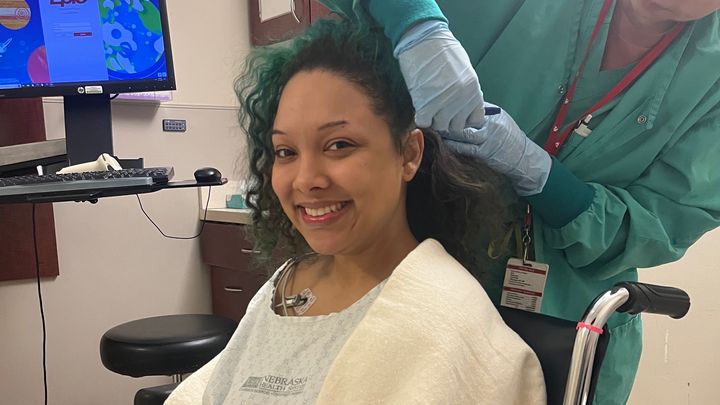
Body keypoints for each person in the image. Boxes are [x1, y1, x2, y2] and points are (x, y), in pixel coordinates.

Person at [321, 0, 720, 403]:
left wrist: (542, 177)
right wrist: (415, 24)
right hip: (412, 282)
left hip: (564, 329)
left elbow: (656, 225)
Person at [165, 17, 546, 405]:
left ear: (408, 154)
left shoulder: (444, 319)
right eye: (286, 151)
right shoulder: (287, 284)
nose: (306, 179)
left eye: (339, 145)